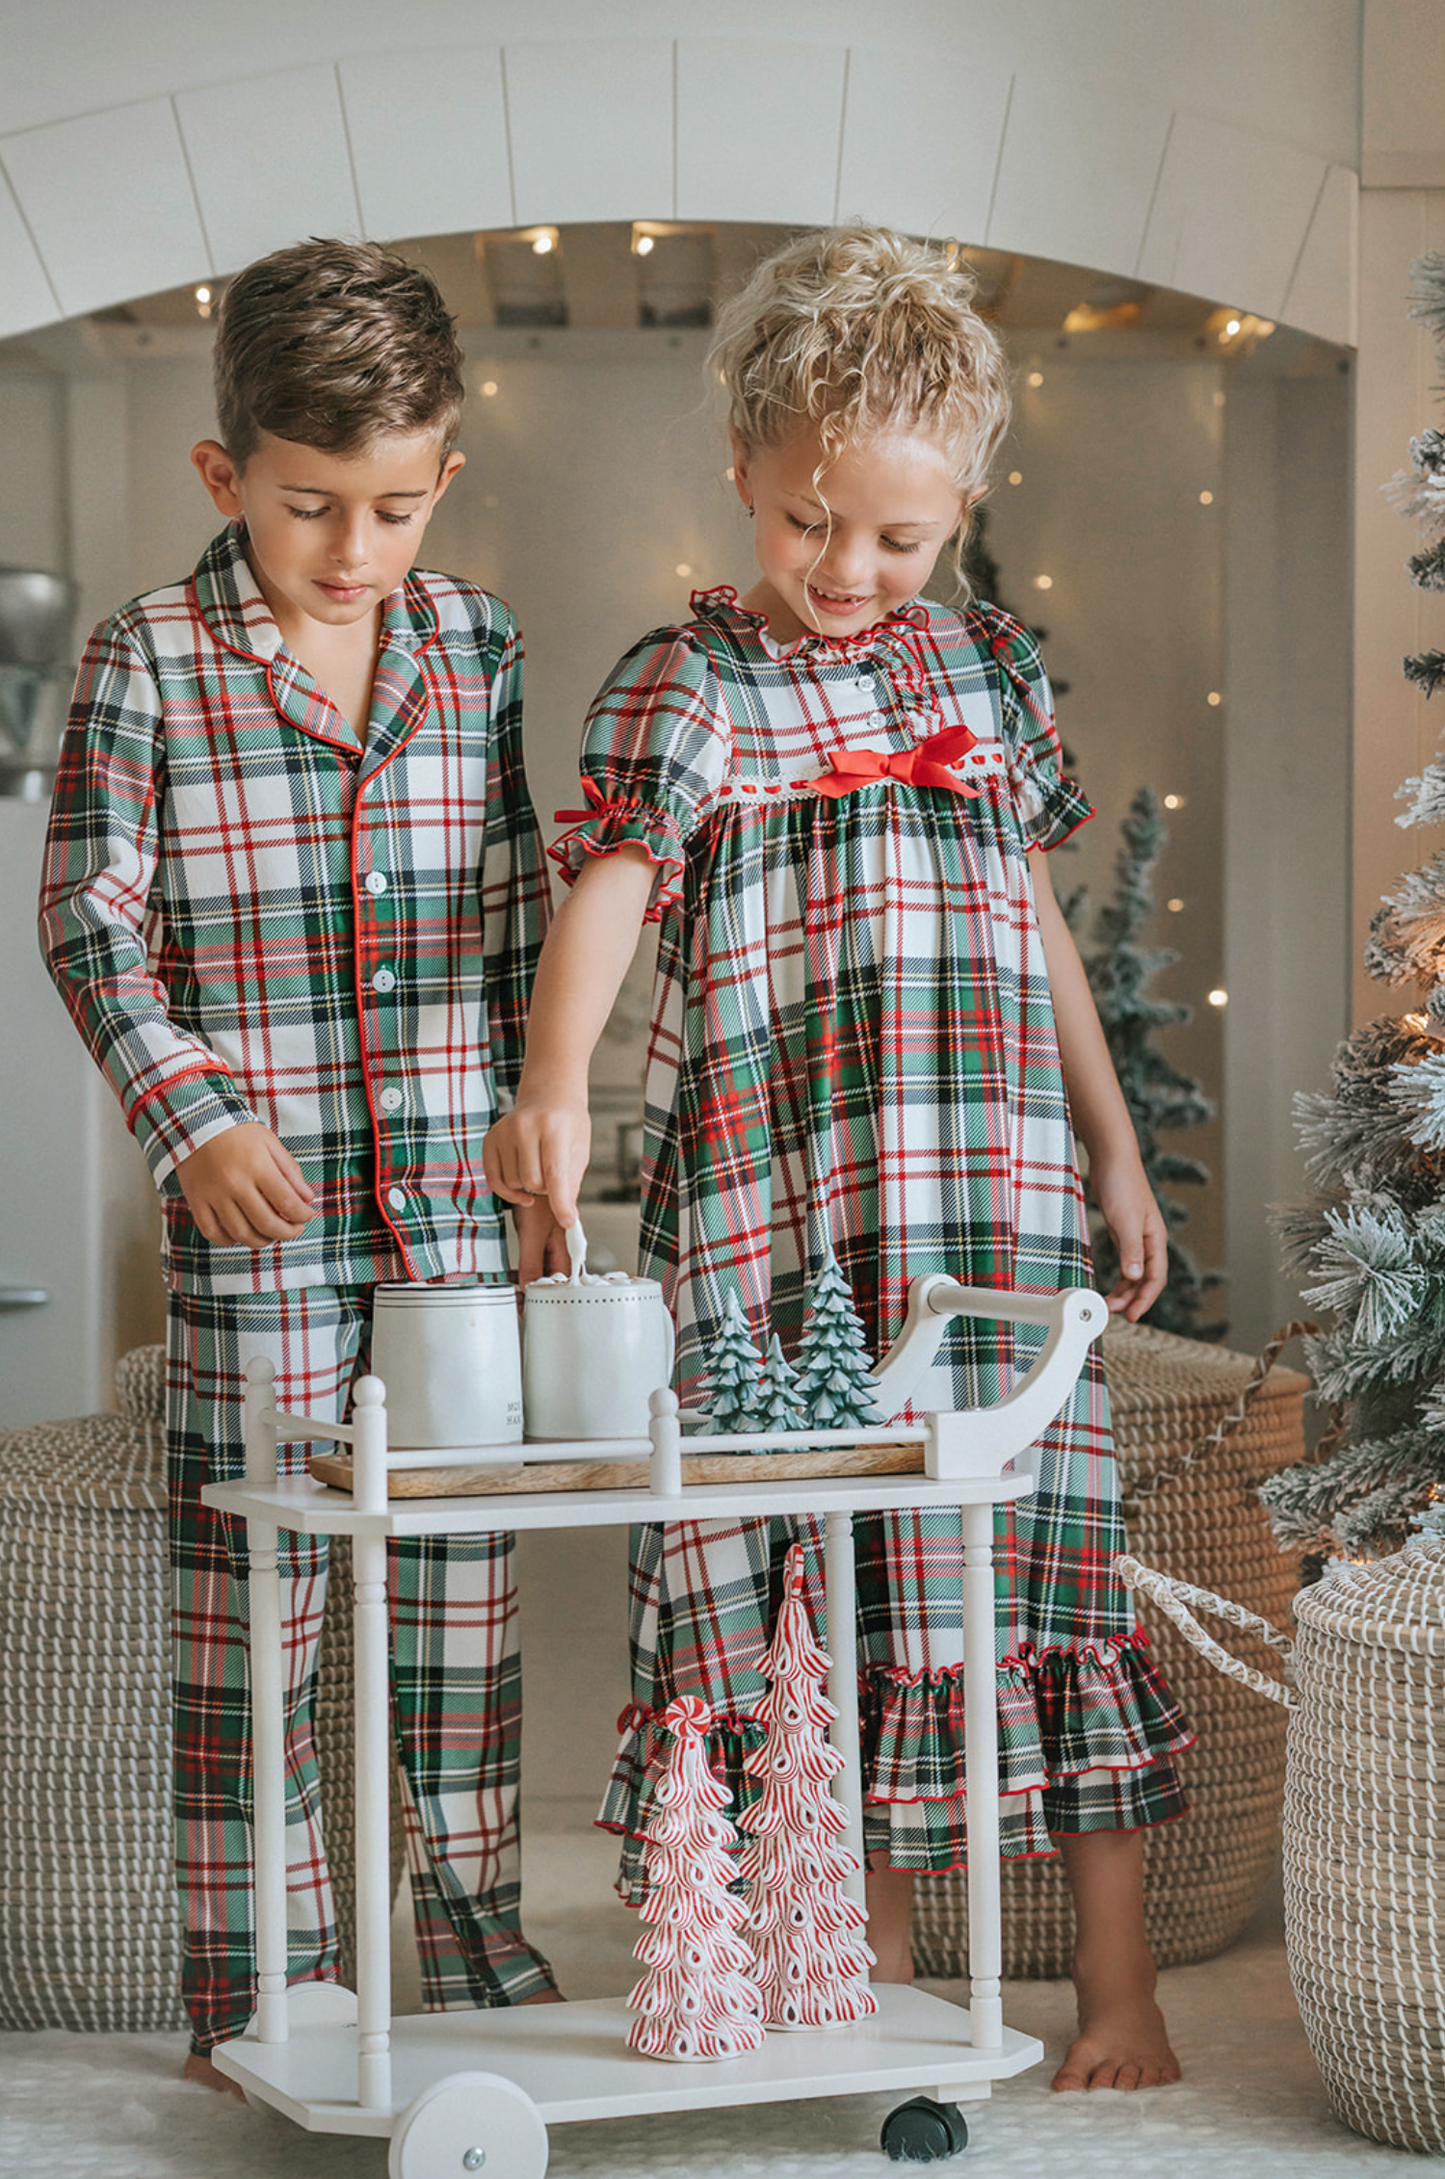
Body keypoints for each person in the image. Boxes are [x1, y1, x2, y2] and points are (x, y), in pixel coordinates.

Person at [484, 224, 1193, 2094]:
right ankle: (849, 1995)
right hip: (778, 1219)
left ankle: (1120, 1993)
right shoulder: (692, 684)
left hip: (996, 1209)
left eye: (898, 537)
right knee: (819, 1576)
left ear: (960, 508)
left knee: (1042, 1560)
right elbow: (616, 891)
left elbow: (1038, 929)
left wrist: (1117, 1151)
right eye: (812, 524)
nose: (849, 574)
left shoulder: (986, 672)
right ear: (745, 470)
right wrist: (556, 1083)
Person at [39, 239, 561, 2093]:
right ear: (225, 474)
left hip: (447, 1224)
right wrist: (191, 1117)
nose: (355, 549)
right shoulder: (148, 665)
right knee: (259, 1607)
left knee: (460, 1591)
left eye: (396, 508)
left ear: (448, 476)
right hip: (257, 1223)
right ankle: (267, 1985)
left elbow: (513, 907)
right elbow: (92, 923)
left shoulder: (475, 643)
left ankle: (482, 1943)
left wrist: (532, 1118)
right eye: (311, 506)